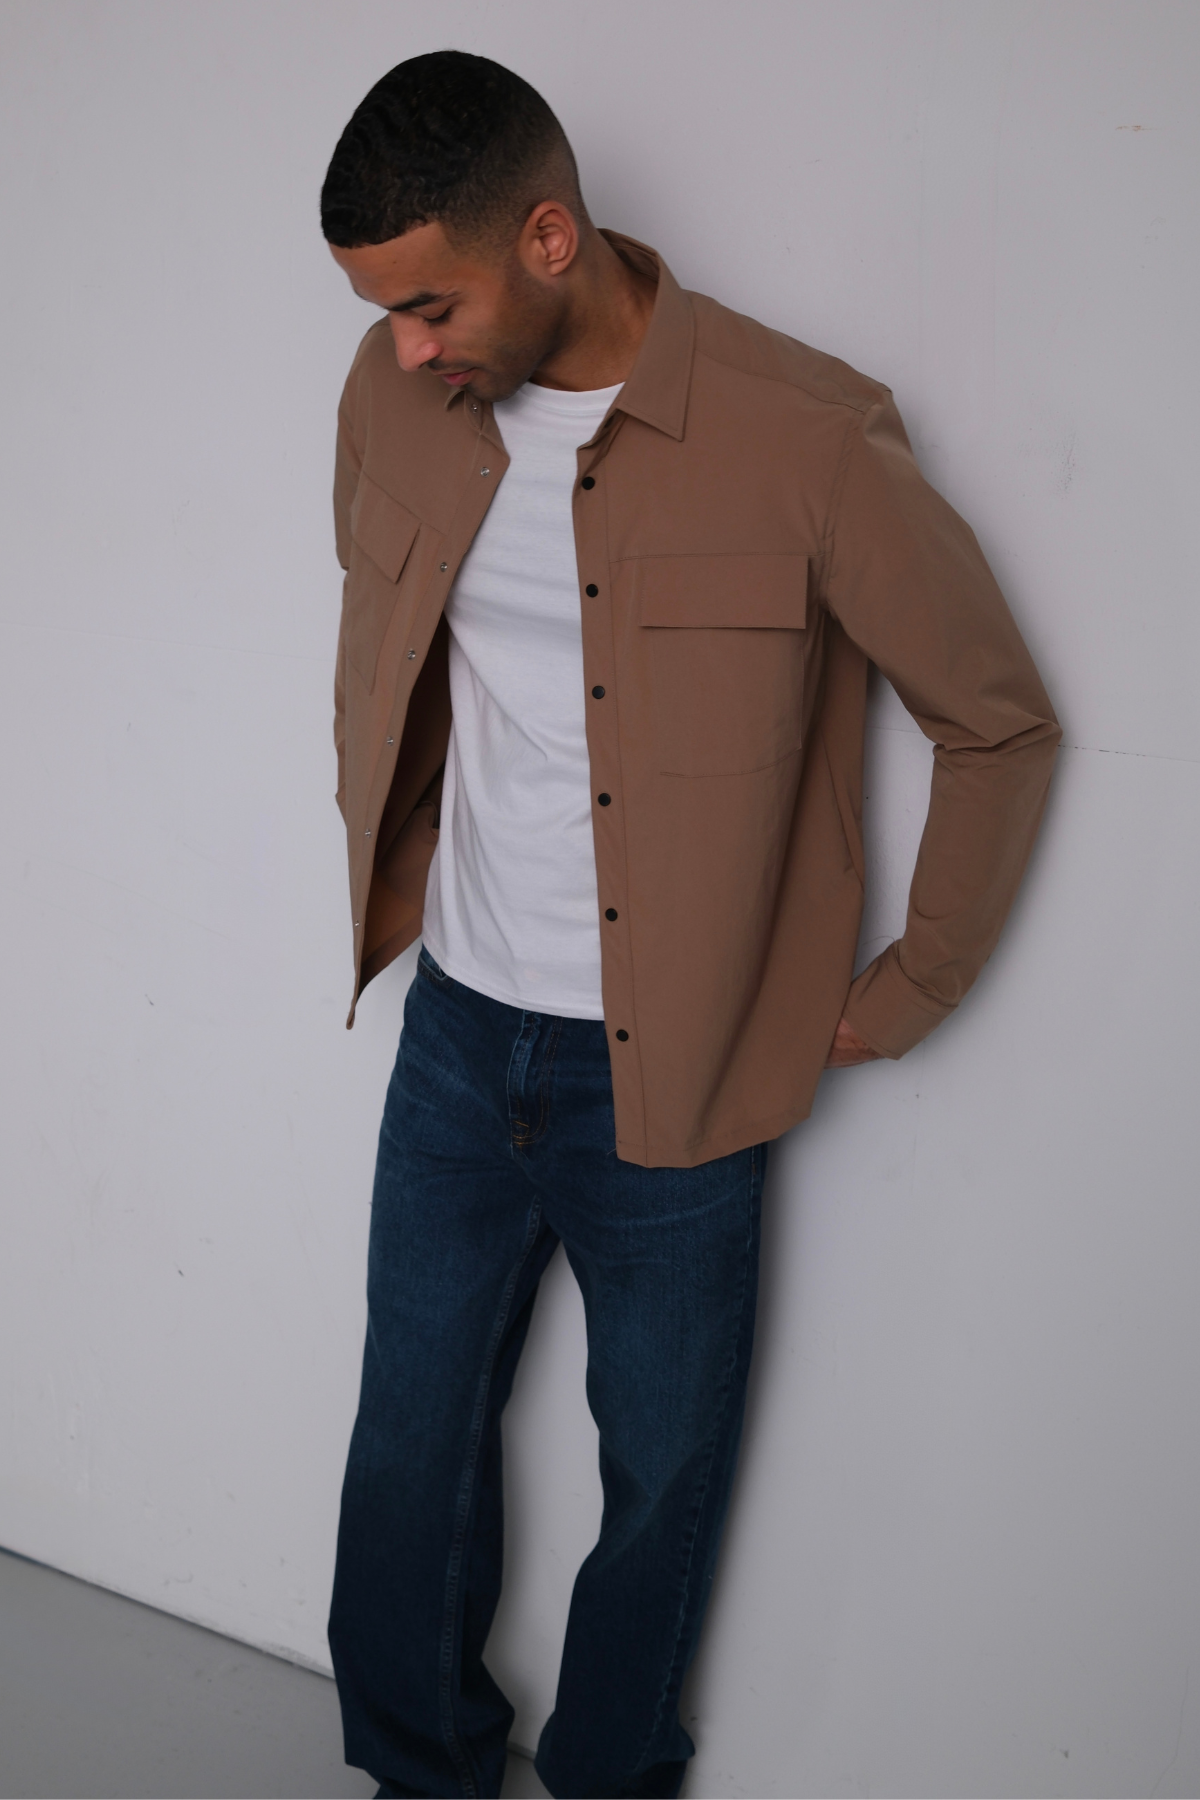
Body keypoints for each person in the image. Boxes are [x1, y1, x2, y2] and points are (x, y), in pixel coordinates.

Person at [319, 50, 1059, 1800]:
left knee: (661, 1473)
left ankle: (612, 1777)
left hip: (684, 1073)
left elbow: (998, 719)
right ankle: (418, 1770)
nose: (404, 351)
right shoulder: (392, 398)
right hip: (457, 1033)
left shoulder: (807, 438)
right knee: (410, 1441)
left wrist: (909, 987)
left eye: (429, 305)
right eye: (382, 315)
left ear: (549, 237)